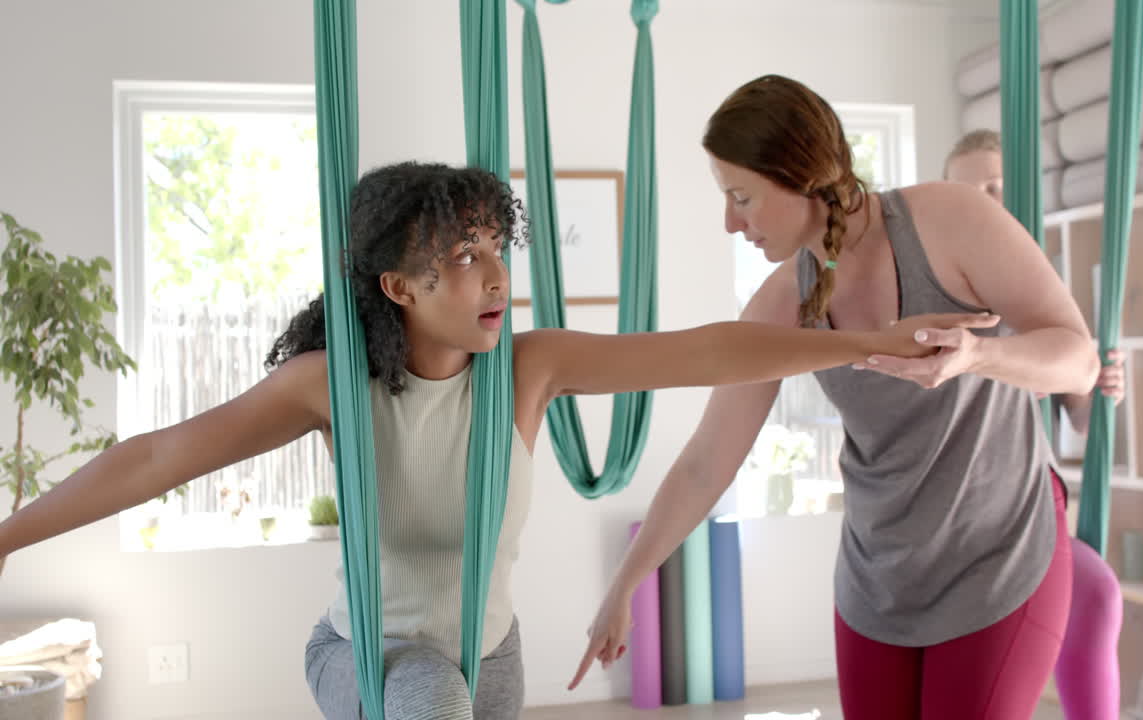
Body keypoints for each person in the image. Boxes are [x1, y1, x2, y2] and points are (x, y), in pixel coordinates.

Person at [0, 161, 993, 720]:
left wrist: (865, 341)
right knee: (429, 694)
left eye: (495, 249)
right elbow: (156, 457)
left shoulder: (526, 368)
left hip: (494, 654)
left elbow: (704, 350)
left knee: (454, 688)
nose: (494, 276)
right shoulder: (332, 387)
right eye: (463, 255)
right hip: (373, 656)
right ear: (399, 286)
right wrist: (7, 537)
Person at [571, 75, 1100, 720]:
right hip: (878, 581)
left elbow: (1079, 361)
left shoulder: (951, 219)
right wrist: (625, 584)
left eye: (742, 197)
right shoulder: (780, 302)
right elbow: (707, 463)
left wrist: (978, 356)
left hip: (998, 555)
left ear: (799, 175)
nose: (731, 222)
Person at [945, 128, 1127, 720]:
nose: (983, 204)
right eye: (967, 192)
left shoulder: (1042, 301)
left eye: (995, 189)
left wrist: (1100, 388)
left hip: (1028, 521)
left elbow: (1079, 418)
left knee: (1097, 594)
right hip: (954, 527)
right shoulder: (936, 300)